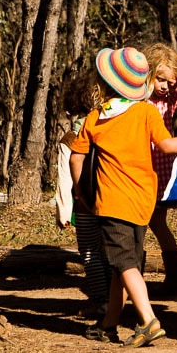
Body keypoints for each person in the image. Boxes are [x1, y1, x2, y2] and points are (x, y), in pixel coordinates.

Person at [69, 47, 177, 346]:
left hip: (112, 202)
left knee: (124, 264)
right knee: (123, 266)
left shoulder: (95, 118)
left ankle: (149, 320)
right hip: (143, 199)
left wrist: (82, 194)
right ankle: (108, 324)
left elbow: (76, 160)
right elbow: (167, 146)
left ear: (104, 84)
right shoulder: (146, 111)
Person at [56, 71, 111, 319]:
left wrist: (64, 211)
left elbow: (65, 178)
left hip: (84, 204)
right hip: (114, 200)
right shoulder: (111, 129)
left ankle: (101, 301)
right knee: (112, 250)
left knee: (90, 252)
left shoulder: (70, 139)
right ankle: (119, 298)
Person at [143, 42, 177, 294]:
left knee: (156, 222)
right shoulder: (140, 98)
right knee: (143, 223)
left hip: (162, 169)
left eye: (169, 82)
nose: (164, 86)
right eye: (159, 79)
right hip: (142, 166)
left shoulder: (173, 96)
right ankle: (132, 275)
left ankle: (175, 277)